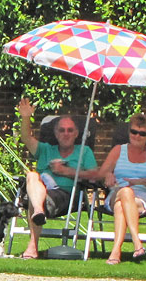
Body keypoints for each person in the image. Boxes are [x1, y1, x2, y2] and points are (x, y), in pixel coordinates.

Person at [17, 98, 98, 259]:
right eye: (61, 130)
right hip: (40, 194)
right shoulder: (45, 149)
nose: (66, 133)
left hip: (65, 196)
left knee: (34, 198)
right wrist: (26, 117)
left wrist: (66, 171)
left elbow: (95, 175)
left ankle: (32, 246)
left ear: (76, 134)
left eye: (70, 130)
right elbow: (26, 138)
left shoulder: (84, 151)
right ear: (55, 134)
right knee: (32, 175)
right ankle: (39, 212)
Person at [98, 113, 146, 265]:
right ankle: (137, 241)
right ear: (129, 132)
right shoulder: (118, 150)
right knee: (125, 191)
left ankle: (116, 251)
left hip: (143, 196)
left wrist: (141, 181)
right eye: (134, 132)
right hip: (116, 192)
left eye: (142, 133)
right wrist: (108, 175)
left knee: (120, 206)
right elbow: (101, 173)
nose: (137, 136)